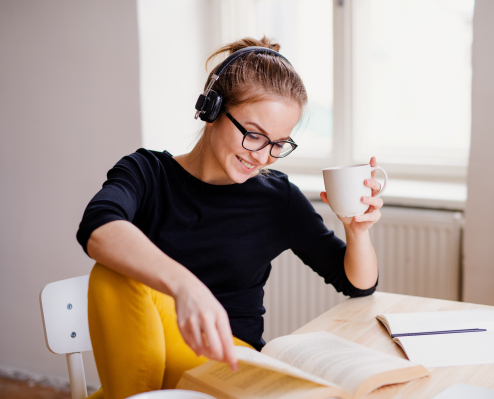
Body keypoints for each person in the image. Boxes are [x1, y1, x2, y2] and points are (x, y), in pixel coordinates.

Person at [77, 37, 383, 399]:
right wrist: (186, 287)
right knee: (114, 273)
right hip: (148, 358)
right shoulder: (147, 172)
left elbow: (358, 285)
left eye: (279, 143)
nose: (264, 156)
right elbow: (97, 226)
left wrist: (357, 231)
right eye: (254, 135)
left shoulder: (277, 197)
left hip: (231, 361)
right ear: (212, 111)